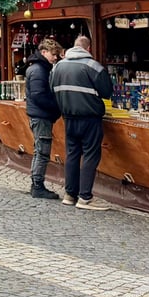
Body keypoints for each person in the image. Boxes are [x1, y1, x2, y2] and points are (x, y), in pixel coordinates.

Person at [50, 35, 113, 211]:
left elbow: (51, 89)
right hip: (90, 117)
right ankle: (85, 197)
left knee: (72, 154)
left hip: (68, 117)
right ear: (88, 48)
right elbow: (107, 91)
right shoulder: (92, 66)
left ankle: (70, 195)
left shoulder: (57, 67)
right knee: (91, 155)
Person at [24, 38, 63, 199]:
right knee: (42, 152)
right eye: (54, 54)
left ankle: (36, 183)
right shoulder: (39, 70)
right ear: (44, 52)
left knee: (39, 150)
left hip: (39, 115)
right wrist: (56, 108)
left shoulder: (39, 68)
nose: (56, 58)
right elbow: (39, 96)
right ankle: (37, 186)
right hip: (41, 116)